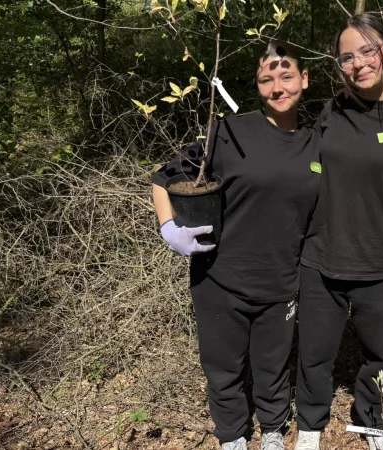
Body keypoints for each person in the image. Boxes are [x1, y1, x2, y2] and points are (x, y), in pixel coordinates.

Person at [150, 41, 319, 450]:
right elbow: (162, 178)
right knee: (224, 368)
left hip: (281, 281)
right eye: (266, 79)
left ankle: (273, 431)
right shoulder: (228, 133)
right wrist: (169, 228)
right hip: (219, 278)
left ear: (305, 79)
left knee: (273, 365)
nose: (277, 87)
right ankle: (232, 438)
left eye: (286, 75)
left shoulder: (318, 143)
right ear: (257, 85)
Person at [293, 13, 383, 450]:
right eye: (346, 57)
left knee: (381, 358)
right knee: (314, 355)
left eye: (367, 51)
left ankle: (373, 424)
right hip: (322, 257)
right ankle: (310, 426)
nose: (358, 63)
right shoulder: (334, 110)